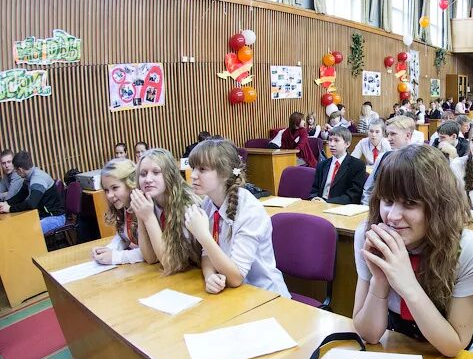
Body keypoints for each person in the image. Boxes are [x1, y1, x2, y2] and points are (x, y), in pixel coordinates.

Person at [352, 145, 473, 356]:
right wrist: (380, 280)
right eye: (388, 201)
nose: (392, 216)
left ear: (439, 206)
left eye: (410, 204)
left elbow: (453, 345)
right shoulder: (368, 236)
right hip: (397, 344)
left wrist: (407, 283)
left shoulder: (470, 250)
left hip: (451, 355)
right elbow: (369, 334)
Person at [184, 139, 289, 297]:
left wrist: (202, 234)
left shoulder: (249, 210)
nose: (193, 175)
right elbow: (207, 253)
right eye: (193, 168)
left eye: (202, 169)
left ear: (225, 174)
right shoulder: (208, 202)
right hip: (233, 293)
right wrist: (209, 276)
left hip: (264, 294)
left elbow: (236, 277)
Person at [130, 148, 201, 274]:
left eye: (156, 172)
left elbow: (170, 263)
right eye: (143, 174)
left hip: (200, 273)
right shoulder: (150, 203)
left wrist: (148, 217)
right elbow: (150, 258)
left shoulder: (187, 205)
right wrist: (141, 217)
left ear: (170, 175)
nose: (148, 179)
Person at [91, 158, 144, 266]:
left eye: (115, 188)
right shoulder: (124, 207)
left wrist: (116, 257)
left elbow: (150, 253)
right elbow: (123, 237)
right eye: (106, 190)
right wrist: (108, 250)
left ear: (131, 184)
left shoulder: (144, 208)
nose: (109, 195)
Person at [0, 151, 66, 233]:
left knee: (28, 232)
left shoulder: (37, 180)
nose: (16, 173)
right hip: (43, 216)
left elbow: (31, 204)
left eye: (16, 171)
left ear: (20, 170)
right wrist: (6, 203)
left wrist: (10, 209)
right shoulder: (29, 177)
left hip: (55, 217)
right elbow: (20, 196)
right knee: (17, 227)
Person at [361, 117, 416, 205]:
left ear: (408, 135)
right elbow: (369, 189)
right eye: (388, 134)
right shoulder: (383, 157)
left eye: (393, 134)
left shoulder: (418, 160)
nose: (389, 138)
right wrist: (366, 208)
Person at [308, 127, 367, 204]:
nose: (331, 144)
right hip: (319, 205)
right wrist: (314, 199)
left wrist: (326, 202)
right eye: (330, 140)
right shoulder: (322, 164)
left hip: (340, 207)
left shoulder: (357, 165)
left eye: (336, 140)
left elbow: (353, 196)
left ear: (347, 144)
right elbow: (314, 190)